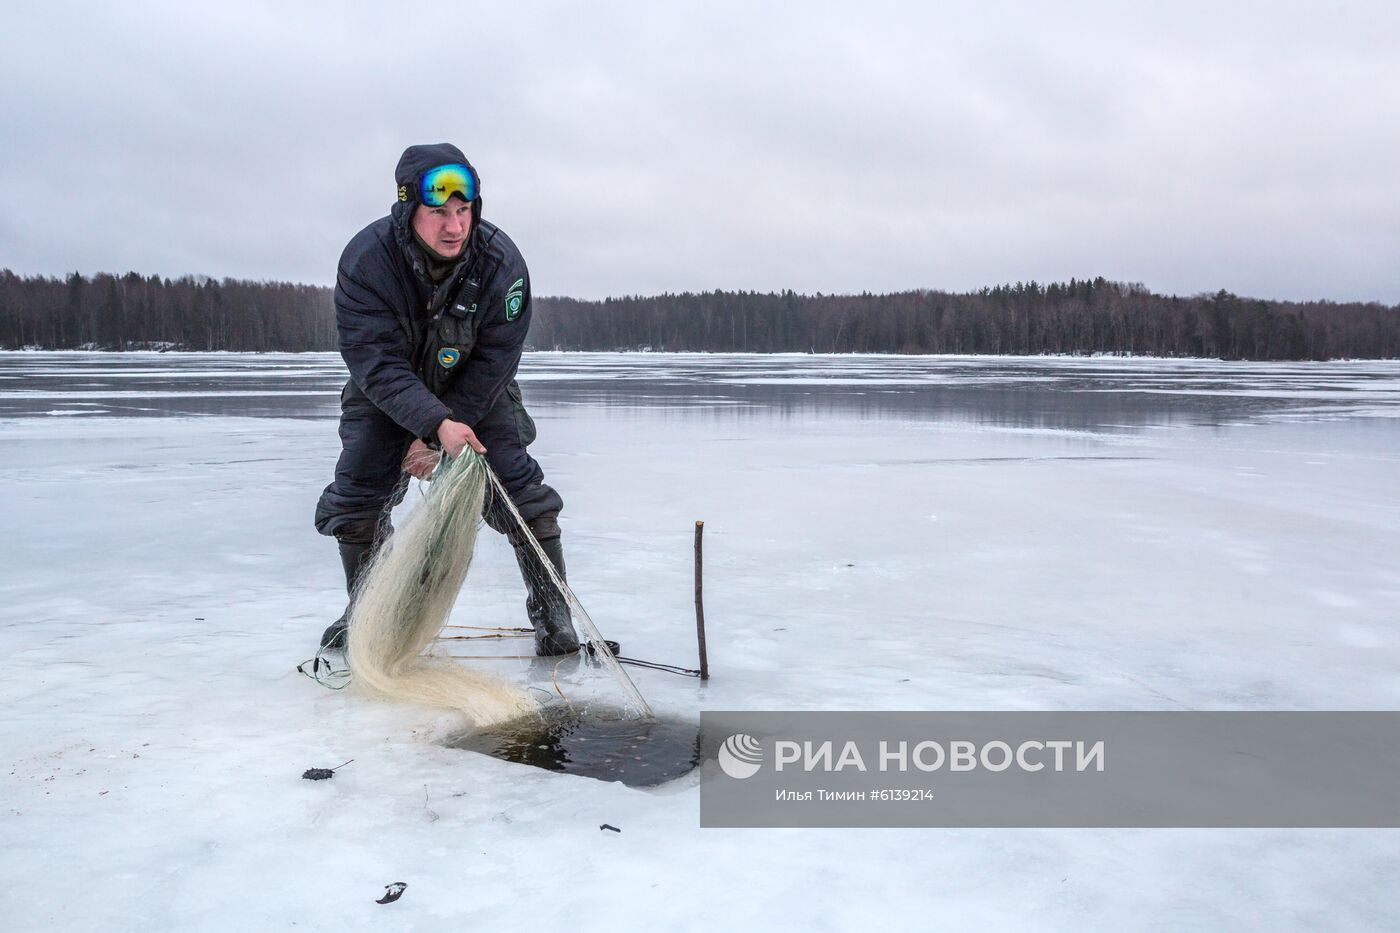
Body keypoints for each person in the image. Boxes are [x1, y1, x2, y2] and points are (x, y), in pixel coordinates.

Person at [313, 142, 578, 656]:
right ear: (408, 207)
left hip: (480, 391)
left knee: (521, 489)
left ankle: (554, 615)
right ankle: (368, 610)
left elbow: (497, 361)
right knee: (357, 496)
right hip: (386, 390)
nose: (455, 227)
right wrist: (428, 425)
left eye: (464, 211)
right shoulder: (366, 262)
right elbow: (374, 362)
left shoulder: (503, 265)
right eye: (438, 212)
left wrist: (446, 428)